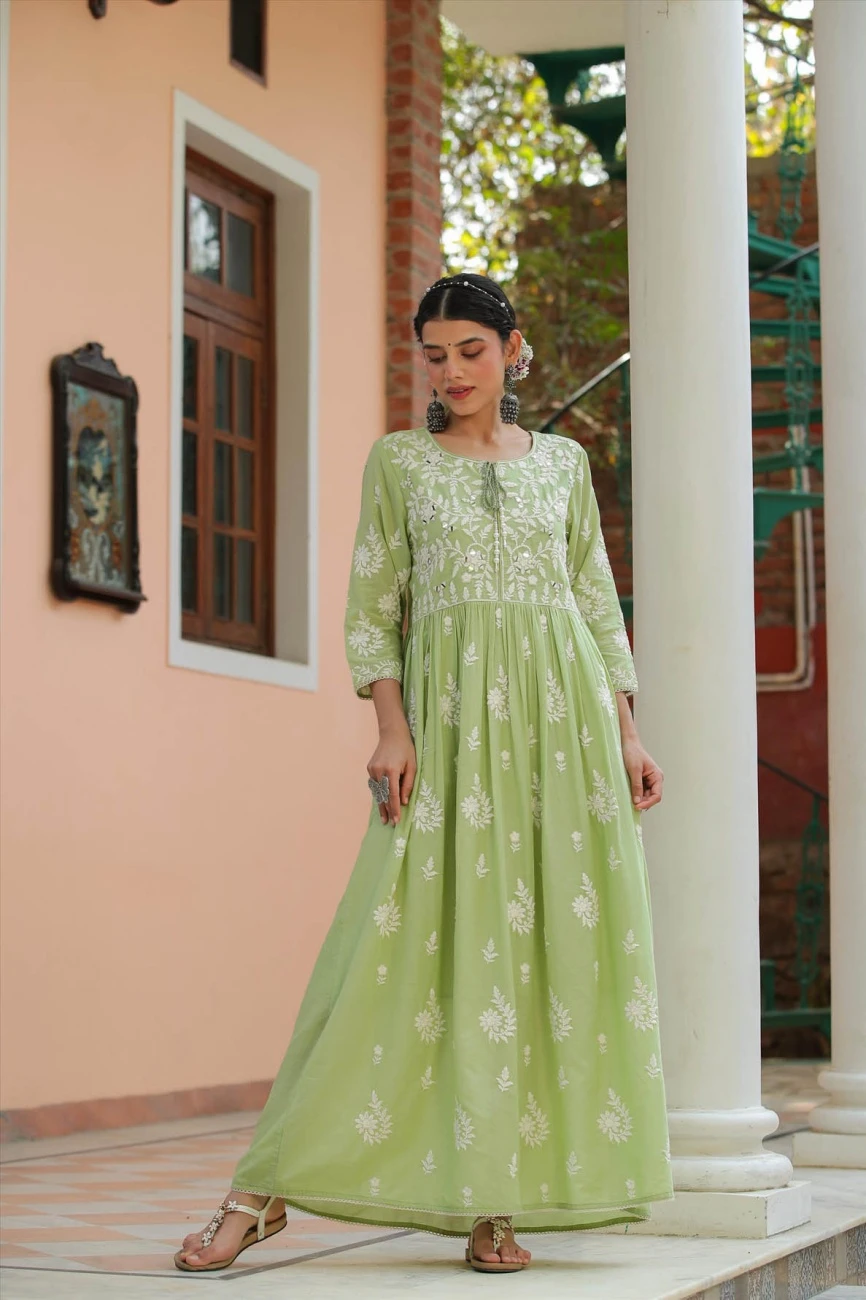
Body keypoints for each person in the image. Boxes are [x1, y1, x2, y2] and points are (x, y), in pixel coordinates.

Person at [175, 273, 673, 1276]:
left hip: (564, 733)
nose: (451, 372)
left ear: (512, 350)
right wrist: (390, 730)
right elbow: (373, 604)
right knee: (384, 945)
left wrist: (625, 731)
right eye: (434, 355)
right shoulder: (400, 463)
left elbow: (593, 598)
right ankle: (258, 1189)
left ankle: (495, 1204)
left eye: (470, 351)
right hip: (446, 731)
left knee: (537, 956)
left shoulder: (563, 465)